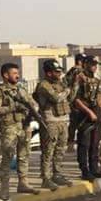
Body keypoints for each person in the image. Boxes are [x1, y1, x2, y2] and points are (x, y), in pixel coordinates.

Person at [0, 63, 40, 199]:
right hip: (9, 128)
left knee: (24, 156)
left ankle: (23, 183)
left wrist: (30, 109)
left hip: (24, 126)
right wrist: (13, 107)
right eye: (14, 73)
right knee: (7, 158)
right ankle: (4, 189)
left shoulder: (21, 90)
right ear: (6, 75)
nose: (17, 76)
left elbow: (33, 103)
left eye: (18, 73)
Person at [33, 60, 73, 190]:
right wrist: (68, 89)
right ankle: (46, 178)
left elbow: (70, 98)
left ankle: (57, 173)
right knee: (48, 150)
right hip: (50, 121)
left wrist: (74, 84)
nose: (60, 74)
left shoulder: (60, 84)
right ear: (49, 73)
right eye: (56, 71)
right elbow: (56, 98)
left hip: (62, 120)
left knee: (60, 149)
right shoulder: (43, 85)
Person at [73, 56, 101, 180]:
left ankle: (94, 168)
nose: (94, 66)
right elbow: (75, 99)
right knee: (84, 143)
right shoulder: (79, 78)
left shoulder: (97, 81)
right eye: (92, 64)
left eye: (96, 64)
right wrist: (88, 112)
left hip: (96, 112)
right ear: (85, 64)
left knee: (95, 143)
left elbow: (100, 100)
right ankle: (84, 170)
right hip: (84, 114)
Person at [64, 53, 86, 152]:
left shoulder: (70, 71)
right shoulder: (80, 71)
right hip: (79, 100)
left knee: (73, 124)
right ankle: (79, 144)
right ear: (80, 61)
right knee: (81, 123)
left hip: (71, 100)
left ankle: (70, 144)